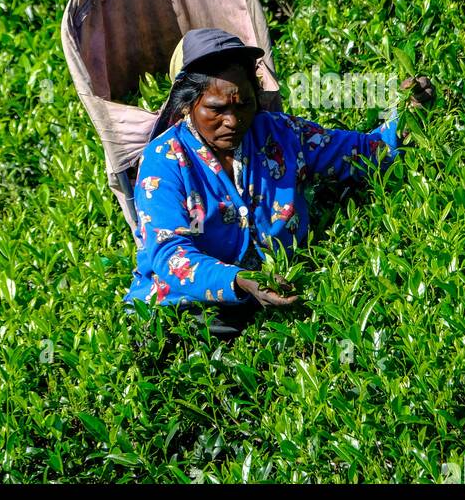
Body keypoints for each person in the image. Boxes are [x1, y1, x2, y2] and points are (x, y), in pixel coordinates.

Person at [124, 28, 407, 335]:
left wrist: (407, 114)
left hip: (274, 292)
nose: (232, 121)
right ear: (186, 106)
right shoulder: (163, 162)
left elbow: (362, 152)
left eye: (244, 104)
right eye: (216, 109)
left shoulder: (281, 134)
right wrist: (239, 280)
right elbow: (171, 254)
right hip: (185, 308)